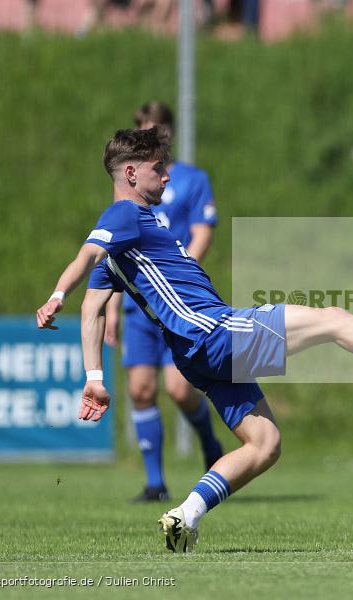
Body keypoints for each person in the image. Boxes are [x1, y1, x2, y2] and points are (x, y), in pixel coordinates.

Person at [36, 127, 353, 552]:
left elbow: (94, 308)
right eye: (158, 168)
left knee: (265, 443)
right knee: (331, 319)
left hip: (196, 357)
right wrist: (58, 293)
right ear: (131, 173)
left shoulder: (133, 234)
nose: (167, 175)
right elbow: (87, 255)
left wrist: (94, 376)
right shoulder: (123, 215)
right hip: (212, 333)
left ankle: (184, 515)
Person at [102, 101, 223, 503]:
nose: (152, 134)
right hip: (139, 307)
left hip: (177, 302)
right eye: (143, 128)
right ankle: (155, 482)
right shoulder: (130, 185)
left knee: (179, 388)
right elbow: (114, 248)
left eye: (158, 128)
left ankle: (209, 445)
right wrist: (112, 307)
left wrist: (179, 273)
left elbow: (203, 232)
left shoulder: (188, 179)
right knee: (139, 389)